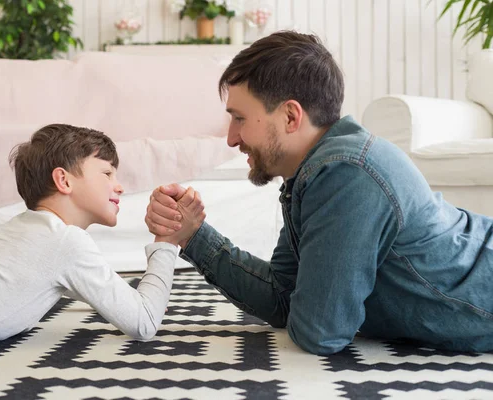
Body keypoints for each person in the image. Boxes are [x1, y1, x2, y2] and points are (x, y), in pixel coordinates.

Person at [145, 30, 493, 355]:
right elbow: (283, 297)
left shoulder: (345, 173)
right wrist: (191, 235)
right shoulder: (314, 171)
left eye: (240, 118)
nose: (231, 138)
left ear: (291, 117)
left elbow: (320, 331)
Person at [0, 123, 201, 347]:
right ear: (63, 181)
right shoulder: (66, 243)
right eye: (107, 173)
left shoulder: (34, 230)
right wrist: (167, 241)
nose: (118, 185)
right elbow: (143, 322)